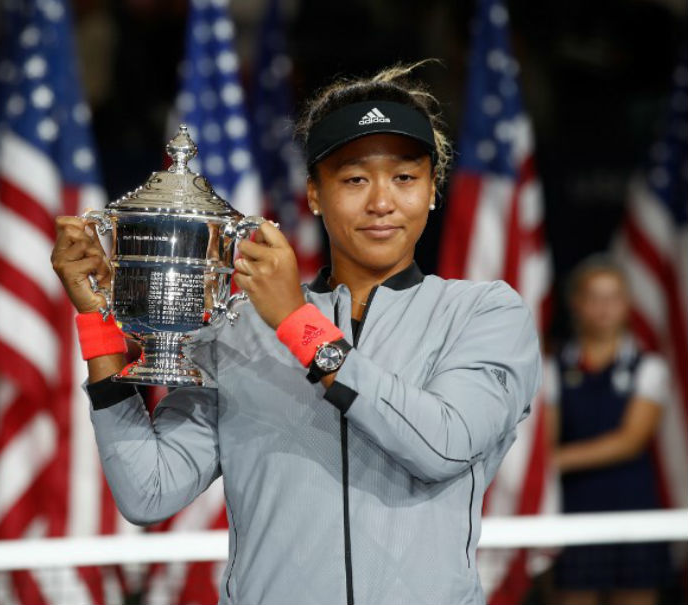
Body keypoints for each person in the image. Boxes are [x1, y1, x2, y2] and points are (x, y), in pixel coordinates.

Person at [52, 63, 542, 605]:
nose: (382, 201)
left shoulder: (485, 314)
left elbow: (443, 447)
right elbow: (149, 491)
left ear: (431, 191)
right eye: (354, 179)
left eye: (405, 177)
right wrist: (98, 324)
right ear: (314, 194)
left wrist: (296, 324)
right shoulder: (237, 332)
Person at [545, 255, 671, 605]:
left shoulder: (649, 366)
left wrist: (552, 462)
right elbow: (545, 435)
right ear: (576, 303)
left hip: (634, 507)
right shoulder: (552, 367)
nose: (604, 307)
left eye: (613, 297)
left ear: (627, 303)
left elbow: (630, 442)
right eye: (594, 297)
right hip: (572, 506)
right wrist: (546, 462)